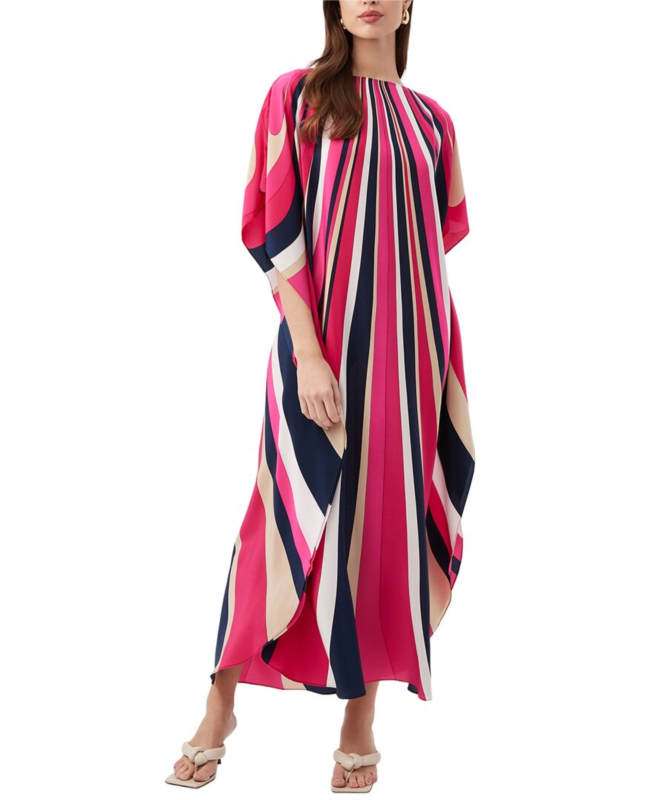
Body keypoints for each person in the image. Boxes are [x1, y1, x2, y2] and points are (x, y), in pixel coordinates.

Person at [165, 0, 475, 792]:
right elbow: (276, 229)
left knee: (384, 527)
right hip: (322, 345)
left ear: (410, 5)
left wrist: (432, 359)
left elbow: (430, 245)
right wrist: (307, 349)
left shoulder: (434, 122)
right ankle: (219, 706)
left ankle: (359, 720)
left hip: (411, 352)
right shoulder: (296, 95)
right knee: (278, 517)